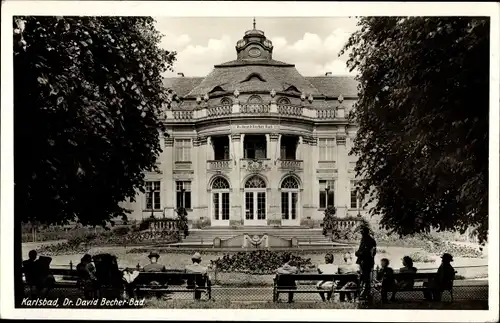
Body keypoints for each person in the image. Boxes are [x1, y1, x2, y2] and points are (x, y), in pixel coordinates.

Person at [355, 226, 377, 300]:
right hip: (370, 262)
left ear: (364, 233)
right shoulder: (372, 240)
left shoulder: (366, 240)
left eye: (362, 233)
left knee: (365, 278)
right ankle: (366, 293)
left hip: (365, 262)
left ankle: (365, 293)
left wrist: (357, 253)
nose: (361, 234)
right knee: (366, 278)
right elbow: (373, 253)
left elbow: (364, 252)